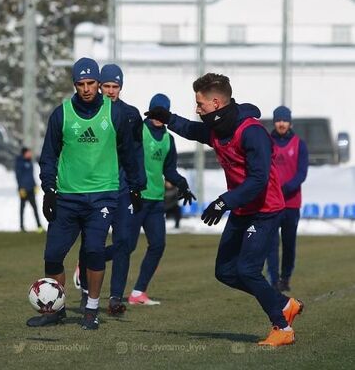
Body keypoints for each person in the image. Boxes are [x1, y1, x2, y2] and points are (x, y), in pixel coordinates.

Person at [146, 73, 303, 346]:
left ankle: (282, 328)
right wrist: (168, 118)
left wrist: (223, 202)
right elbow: (192, 130)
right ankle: (283, 304)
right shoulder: (217, 128)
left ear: (216, 103)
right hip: (242, 209)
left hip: (265, 210)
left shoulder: (252, 132)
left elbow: (258, 181)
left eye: (199, 104)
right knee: (225, 272)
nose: (196, 109)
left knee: (248, 270)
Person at [26, 57, 143, 330]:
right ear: (74, 84)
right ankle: (55, 310)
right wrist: (49, 190)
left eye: (92, 83)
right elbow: (49, 156)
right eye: (81, 84)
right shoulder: (61, 114)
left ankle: (91, 309)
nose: (87, 88)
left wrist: (137, 186)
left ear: (99, 84)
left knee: (93, 251)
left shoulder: (113, 114)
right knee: (53, 255)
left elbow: (129, 153)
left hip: (103, 196)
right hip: (67, 197)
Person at [75, 63, 147, 316]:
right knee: (91, 243)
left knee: (124, 242)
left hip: (123, 187)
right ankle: (86, 290)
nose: (110, 91)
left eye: (115, 86)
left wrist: (139, 185)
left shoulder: (130, 114)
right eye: (106, 86)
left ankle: (115, 297)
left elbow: (137, 152)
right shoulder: (89, 113)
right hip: (96, 188)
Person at [125, 93, 195, 307]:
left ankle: (138, 292)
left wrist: (182, 183)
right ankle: (88, 262)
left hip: (156, 200)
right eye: (155, 111)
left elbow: (169, 169)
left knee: (158, 245)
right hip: (136, 197)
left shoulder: (168, 139)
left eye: (162, 112)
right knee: (126, 246)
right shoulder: (139, 130)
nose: (158, 116)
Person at [266, 106, 308, 291]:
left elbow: (301, 173)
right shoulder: (267, 142)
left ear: (290, 122)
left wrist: (286, 188)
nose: (281, 124)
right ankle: (274, 280)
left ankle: (285, 277)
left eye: (284, 120)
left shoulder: (299, 144)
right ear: (274, 122)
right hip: (272, 203)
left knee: (289, 244)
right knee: (271, 243)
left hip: (291, 203)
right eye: (278, 120)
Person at [15, 147, 44, 233]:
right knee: (22, 209)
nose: (30, 154)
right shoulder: (19, 163)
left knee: (35, 208)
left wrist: (35, 185)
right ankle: (21, 227)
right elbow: (18, 176)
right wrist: (20, 188)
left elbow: (31, 176)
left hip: (31, 189)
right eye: (28, 152)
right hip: (23, 190)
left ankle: (39, 226)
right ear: (24, 153)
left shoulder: (29, 162)